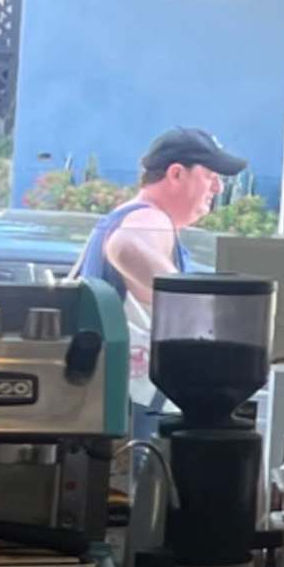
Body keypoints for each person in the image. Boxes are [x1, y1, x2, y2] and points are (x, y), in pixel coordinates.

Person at [76, 127, 245, 402]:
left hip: (114, 402)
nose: (218, 187)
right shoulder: (150, 219)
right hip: (132, 411)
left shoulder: (125, 216)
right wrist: (197, 312)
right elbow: (125, 246)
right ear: (176, 173)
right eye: (210, 176)